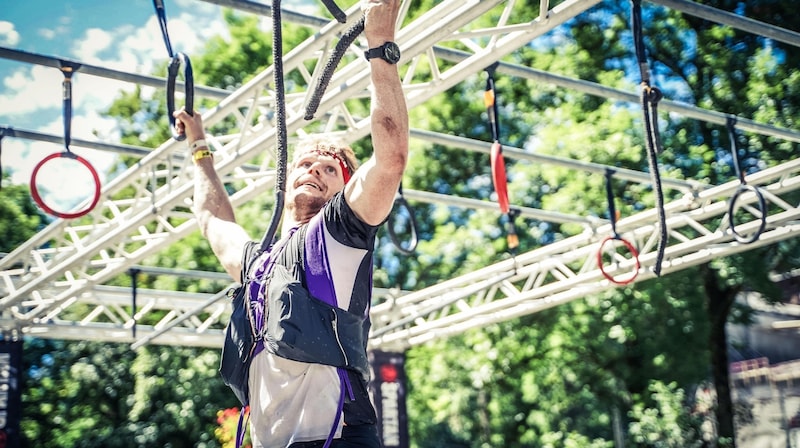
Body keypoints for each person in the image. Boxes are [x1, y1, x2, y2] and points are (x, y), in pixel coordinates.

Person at [173, 0, 408, 446]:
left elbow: (390, 159)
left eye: (329, 167)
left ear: (345, 188)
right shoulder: (259, 263)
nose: (313, 169)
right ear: (285, 181)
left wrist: (380, 43)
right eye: (304, 162)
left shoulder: (339, 234)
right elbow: (211, 218)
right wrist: (199, 146)